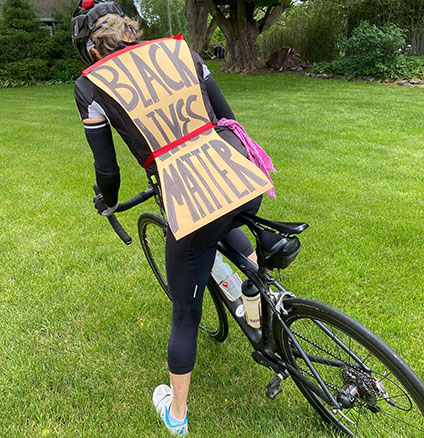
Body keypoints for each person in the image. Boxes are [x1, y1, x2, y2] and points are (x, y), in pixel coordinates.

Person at [71, 1, 273, 435]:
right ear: (130, 29)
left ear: (92, 49)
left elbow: (107, 169)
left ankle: (177, 415)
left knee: (185, 313)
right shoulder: (183, 51)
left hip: (190, 199)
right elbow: (228, 119)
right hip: (239, 175)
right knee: (232, 225)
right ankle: (260, 310)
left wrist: (107, 203)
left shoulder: (91, 85)